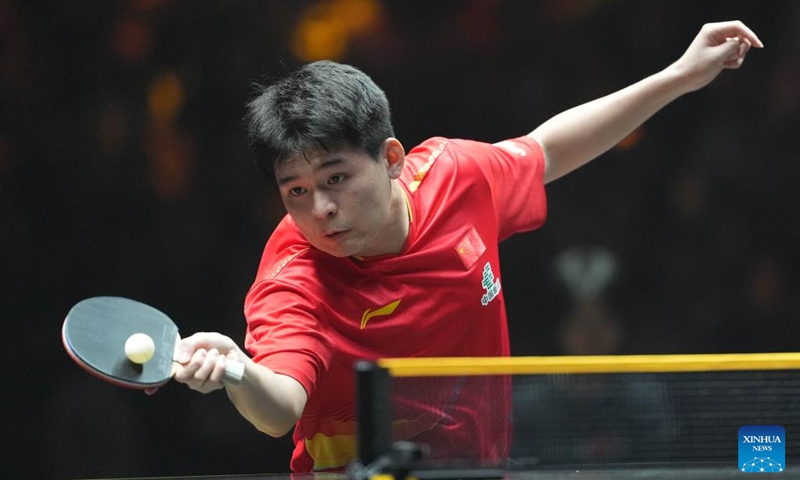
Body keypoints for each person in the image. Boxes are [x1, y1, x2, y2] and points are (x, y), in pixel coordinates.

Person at [166, 21, 762, 473]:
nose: (318, 209)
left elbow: (548, 149)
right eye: (295, 190)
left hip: (479, 468)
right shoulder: (294, 277)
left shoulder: (457, 177)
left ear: (392, 158)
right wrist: (239, 373)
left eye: (335, 179)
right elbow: (280, 410)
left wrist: (680, 75)